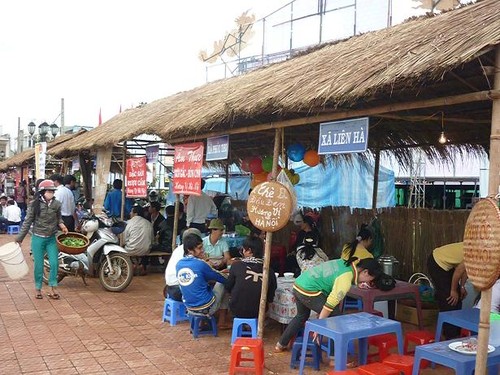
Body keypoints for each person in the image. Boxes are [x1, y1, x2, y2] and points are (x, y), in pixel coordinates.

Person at [275, 257, 382, 352]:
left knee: (301, 316)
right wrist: (318, 327)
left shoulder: (345, 263)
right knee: (336, 319)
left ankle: (280, 345)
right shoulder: (346, 278)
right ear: (365, 272)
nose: (367, 283)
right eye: (370, 281)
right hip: (309, 290)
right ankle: (334, 358)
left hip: (299, 284)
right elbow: (329, 305)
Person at [15, 179, 68, 300]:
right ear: (42, 192)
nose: (52, 193)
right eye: (49, 191)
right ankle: (38, 288)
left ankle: (52, 287)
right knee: (39, 265)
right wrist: (20, 238)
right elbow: (27, 222)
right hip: (38, 238)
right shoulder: (34, 205)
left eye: (53, 191)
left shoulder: (57, 204)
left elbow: (59, 218)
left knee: (54, 263)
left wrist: (62, 225)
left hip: (51, 238)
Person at [176, 233, 230, 328]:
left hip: (189, 307)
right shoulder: (200, 264)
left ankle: (203, 322)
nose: (203, 250)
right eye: (199, 248)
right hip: (207, 307)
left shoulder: (179, 264)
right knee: (224, 283)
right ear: (190, 250)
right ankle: (222, 320)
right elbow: (220, 278)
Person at [225, 236, 277, 318]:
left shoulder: (236, 265)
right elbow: (271, 295)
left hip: (236, 309)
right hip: (260, 311)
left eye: (243, 249)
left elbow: (228, 287)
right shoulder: (269, 270)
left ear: (249, 251)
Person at [427, 242, 468, 339]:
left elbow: (465, 270)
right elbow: (458, 271)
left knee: (458, 297)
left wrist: (462, 287)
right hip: (436, 261)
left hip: (447, 264)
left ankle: (456, 331)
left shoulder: (481, 252)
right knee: (449, 298)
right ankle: (449, 335)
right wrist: (453, 290)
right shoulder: (473, 251)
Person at [164, 228, 202, 301]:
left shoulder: (179, 249)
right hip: (179, 290)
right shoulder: (189, 252)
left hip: (170, 288)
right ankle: (202, 310)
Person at [124, 205, 154, 274]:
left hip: (131, 249)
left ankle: (132, 264)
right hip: (145, 250)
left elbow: (124, 239)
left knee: (123, 247)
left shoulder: (128, 223)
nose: (130, 213)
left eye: (131, 212)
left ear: (135, 213)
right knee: (145, 246)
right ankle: (142, 265)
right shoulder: (148, 223)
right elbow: (152, 239)